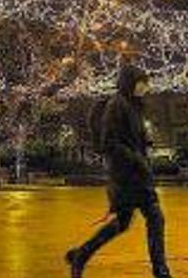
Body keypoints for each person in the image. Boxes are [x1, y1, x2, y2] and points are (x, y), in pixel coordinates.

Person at [65, 64, 172, 278]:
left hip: (137, 174)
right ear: (130, 83)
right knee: (153, 218)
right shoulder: (117, 104)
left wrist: (144, 144)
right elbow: (109, 141)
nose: (145, 87)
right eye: (142, 83)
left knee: (127, 223)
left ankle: (82, 254)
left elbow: (130, 138)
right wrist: (136, 158)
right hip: (126, 176)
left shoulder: (134, 106)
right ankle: (160, 270)